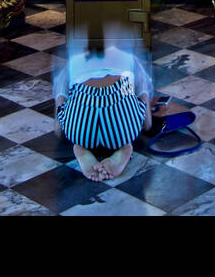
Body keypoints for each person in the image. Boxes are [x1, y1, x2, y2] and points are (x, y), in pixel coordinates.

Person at [53, 31, 154, 181]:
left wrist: (64, 117)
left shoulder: (73, 62)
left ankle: (80, 147)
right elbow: (147, 123)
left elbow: (58, 130)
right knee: (128, 94)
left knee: (71, 108)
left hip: (80, 131)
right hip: (121, 131)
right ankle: (124, 147)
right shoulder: (129, 58)